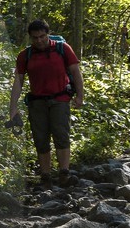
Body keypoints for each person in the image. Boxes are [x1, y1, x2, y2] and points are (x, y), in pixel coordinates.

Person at [7, 20, 83, 185]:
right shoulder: (25, 55)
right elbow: (18, 81)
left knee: (61, 134)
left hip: (60, 99)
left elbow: (76, 72)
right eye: (35, 38)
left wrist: (80, 96)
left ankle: (64, 173)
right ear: (30, 38)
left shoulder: (63, 49)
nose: (39, 40)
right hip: (37, 102)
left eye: (42, 36)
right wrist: (13, 107)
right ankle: (46, 175)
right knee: (40, 138)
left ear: (48, 34)